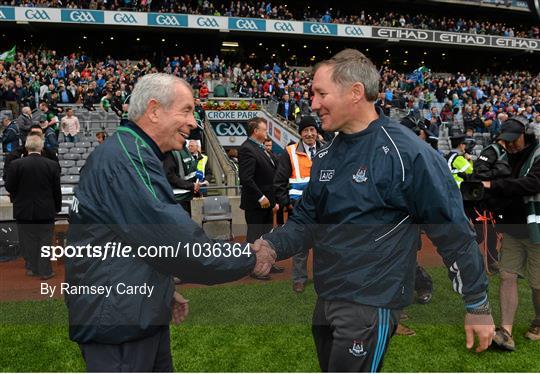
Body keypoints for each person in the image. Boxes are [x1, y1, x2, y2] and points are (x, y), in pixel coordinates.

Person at [254, 49, 494, 372]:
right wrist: (271, 246)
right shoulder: (326, 155)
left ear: (355, 92)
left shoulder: (409, 155)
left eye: (321, 93)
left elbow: (453, 232)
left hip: (370, 306)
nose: (312, 104)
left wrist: (477, 304)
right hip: (326, 302)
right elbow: (306, 220)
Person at [64, 73, 276, 372]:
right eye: (187, 110)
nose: (194, 122)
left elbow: (135, 242)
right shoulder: (126, 159)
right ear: (154, 110)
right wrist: (249, 257)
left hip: (129, 311)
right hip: (119, 323)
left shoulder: (129, 152)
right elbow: (176, 242)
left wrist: (161, 289)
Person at [482, 116, 540, 350]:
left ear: (523, 135)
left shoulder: (538, 154)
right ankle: (506, 330)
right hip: (514, 228)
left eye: (513, 139)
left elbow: (532, 184)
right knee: (507, 275)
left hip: (536, 230)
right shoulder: (504, 156)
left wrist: (493, 186)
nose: (510, 144)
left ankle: (538, 321)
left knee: (537, 283)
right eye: (506, 140)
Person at [274, 116, 320, 293]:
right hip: (299, 209)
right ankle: (299, 279)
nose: (310, 134)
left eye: (312, 130)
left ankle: (321, 277)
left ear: (317, 132)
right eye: (306, 130)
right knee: (301, 246)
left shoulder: (326, 150)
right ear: (300, 133)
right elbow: (279, 182)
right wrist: (287, 204)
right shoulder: (290, 152)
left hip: (322, 208)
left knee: (322, 245)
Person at [5, 133, 61, 280]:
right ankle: (45, 271)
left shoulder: (15, 165)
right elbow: (56, 190)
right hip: (46, 209)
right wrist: (57, 208)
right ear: (41, 147)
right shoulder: (52, 165)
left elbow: (10, 187)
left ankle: (32, 268)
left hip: (23, 210)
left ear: (27, 147)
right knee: (45, 241)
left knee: (28, 240)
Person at [238, 117, 282, 280]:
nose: (266, 132)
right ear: (256, 131)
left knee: (267, 236)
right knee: (254, 237)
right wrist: (261, 197)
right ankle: (254, 268)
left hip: (267, 203)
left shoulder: (261, 148)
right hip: (256, 204)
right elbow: (246, 178)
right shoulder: (247, 149)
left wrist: (272, 199)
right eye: (264, 129)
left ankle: (268, 263)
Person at [162, 141, 200, 217]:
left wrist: (195, 187)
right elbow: (169, 176)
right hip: (178, 199)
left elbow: (189, 173)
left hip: (188, 196)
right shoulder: (171, 151)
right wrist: (191, 186)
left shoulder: (185, 149)